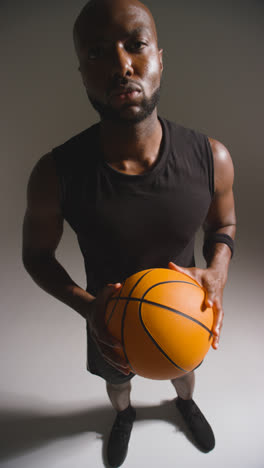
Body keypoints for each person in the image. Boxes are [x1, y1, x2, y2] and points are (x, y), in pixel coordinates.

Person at [22, 0, 236, 466]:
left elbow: (224, 225)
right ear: (82, 73)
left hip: (185, 314)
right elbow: (37, 255)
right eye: (98, 52)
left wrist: (216, 271)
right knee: (117, 385)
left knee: (183, 374)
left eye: (136, 44)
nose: (122, 64)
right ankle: (123, 417)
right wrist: (89, 308)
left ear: (159, 57)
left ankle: (183, 403)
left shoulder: (211, 157)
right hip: (107, 320)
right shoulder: (54, 173)